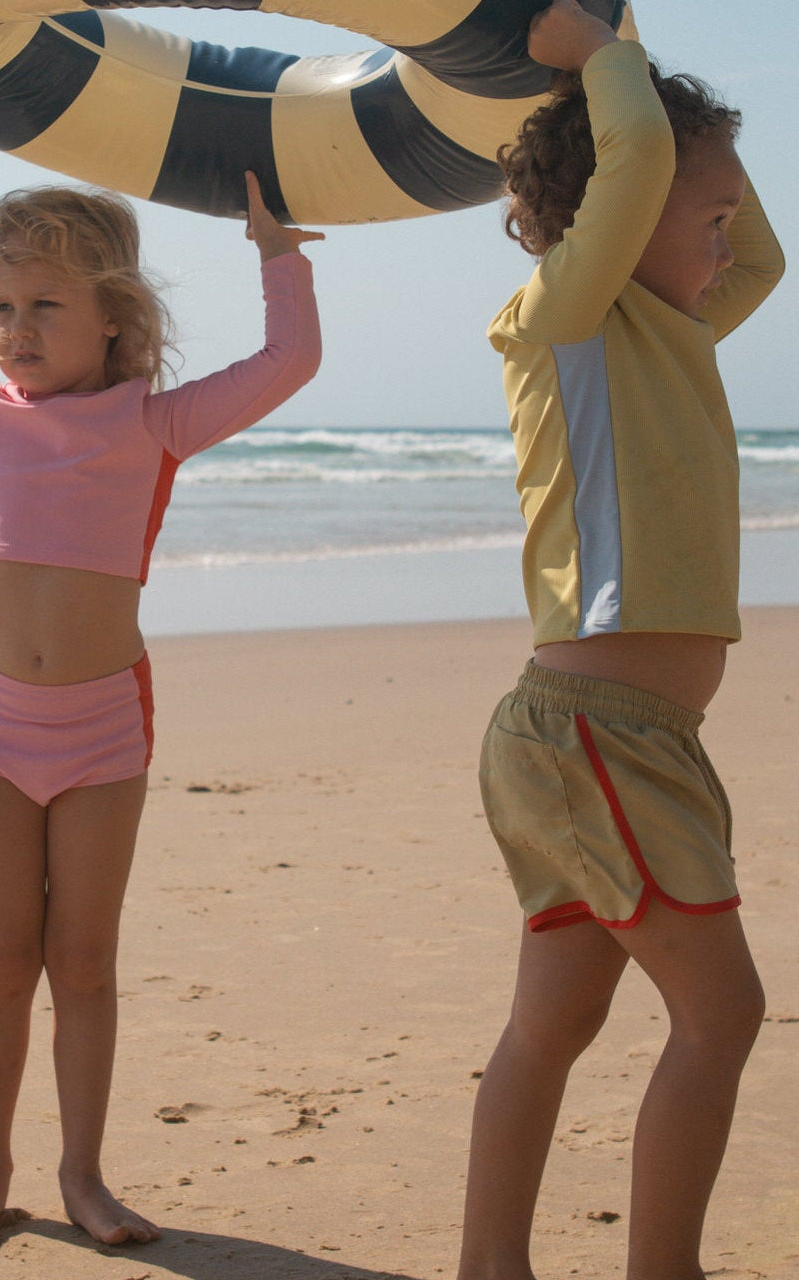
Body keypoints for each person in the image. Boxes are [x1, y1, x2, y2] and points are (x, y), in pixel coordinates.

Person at [0, 98, 323, 1249]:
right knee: (2, 955)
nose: (12, 328)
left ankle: (82, 1173)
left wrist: (275, 255)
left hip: (105, 728)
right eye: (0, 306)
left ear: (113, 320)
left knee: (85, 959)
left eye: (42, 305)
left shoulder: (153, 424)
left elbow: (291, 357)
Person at [457, 3, 784, 1278]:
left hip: (613, 741)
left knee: (557, 1015)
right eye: (697, 220)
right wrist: (606, 63)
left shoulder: (674, 323)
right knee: (724, 1010)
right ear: (606, 219)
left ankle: (493, 1262)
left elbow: (756, 257)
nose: (721, 243)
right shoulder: (565, 319)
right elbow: (638, 165)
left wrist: (694, 130)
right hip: (594, 738)